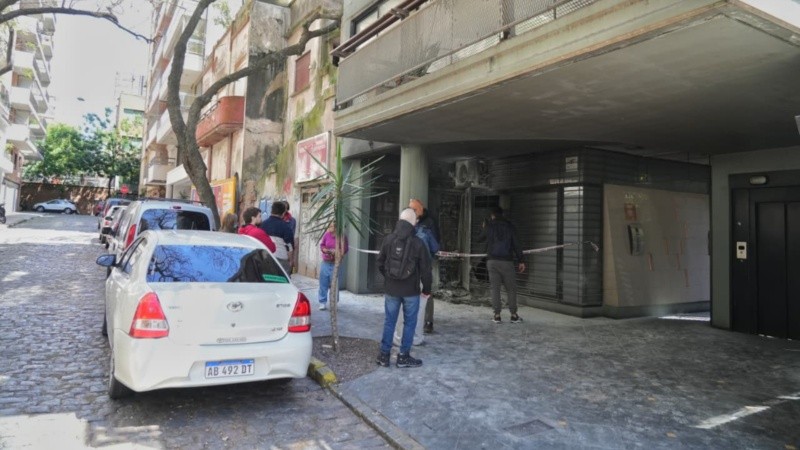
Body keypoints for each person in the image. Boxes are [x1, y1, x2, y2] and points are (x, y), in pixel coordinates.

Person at [376, 208, 432, 368]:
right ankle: (403, 357)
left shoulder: (388, 239)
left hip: (391, 290)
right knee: (409, 323)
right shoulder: (418, 243)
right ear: (415, 222)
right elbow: (426, 270)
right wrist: (427, 289)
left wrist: (388, 278)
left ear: (399, 220)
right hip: (411, 291)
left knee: (389, 321)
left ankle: (384, 356)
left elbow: (380, 262)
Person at [482, 206, 526, 323]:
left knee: (495, 289)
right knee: (511, 289)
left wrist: (484, 227)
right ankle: (514, 315)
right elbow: (517, 244)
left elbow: (480, 239)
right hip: (507, 262)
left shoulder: (489, 226)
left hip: (492, 262)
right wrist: (521, 260)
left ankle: (497, 316)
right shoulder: (510, 226)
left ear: (492, 215)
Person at [409, 198, 440, 334]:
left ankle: (428, 321)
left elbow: (436, 243)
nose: (413, 211)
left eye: (415, 209)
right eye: (411, 209)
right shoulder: (408, 220)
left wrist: (430, 258)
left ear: (421, 208)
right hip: (410, 262)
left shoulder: (430, 222)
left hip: (425, 262)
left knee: (427, 291)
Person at [318, 222, 348, 311]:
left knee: (335, 284)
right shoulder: (327, 235)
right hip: (326, 262)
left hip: (336, 263)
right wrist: (324, 249)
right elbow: (322, 245)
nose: (330, 228)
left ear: (336, 227)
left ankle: (334, 302)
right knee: (323, 282)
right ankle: (322, 302)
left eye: (332, 226)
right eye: (329, 226)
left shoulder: (342, 236)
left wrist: (338, 251)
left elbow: (346, 248)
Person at [260, 201, 294, 274]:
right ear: (283, 213)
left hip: (266, 258)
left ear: (271, 211)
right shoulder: (286, 227)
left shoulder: (263, 225)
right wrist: (291, 260)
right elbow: (289, 246)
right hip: (281, 259)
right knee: (282, 283)